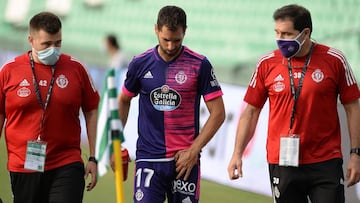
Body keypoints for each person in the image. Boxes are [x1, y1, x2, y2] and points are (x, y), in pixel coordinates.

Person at [227, 4, 360, 203]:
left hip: (325, 161)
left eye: (287, 34)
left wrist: (355, 154)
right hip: (282, 161)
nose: (281, 39)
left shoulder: (335, 60)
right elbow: (251, 111)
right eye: (277, 33)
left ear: (305, 33)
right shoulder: (266, 63)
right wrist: (237, 154)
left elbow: (352, 106)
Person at [114, 5, 225, 203]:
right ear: (156, 29)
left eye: (177, 40)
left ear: (185, 31)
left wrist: (193, 151)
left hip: (184, 162)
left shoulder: (200, 64)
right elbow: (123, 100)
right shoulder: (140, 63)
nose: (171, 46)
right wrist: (116, 143)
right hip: (149, 158)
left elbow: (218, 113)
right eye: (166, 40)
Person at [0, 12, 100, 203]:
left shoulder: (76, 69)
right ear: (31, 39)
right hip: (23, 164)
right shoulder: (9, 71)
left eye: (58, 43)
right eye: (47, 44)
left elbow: (91, 110)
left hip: (66, 162)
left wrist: (93, 157)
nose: (53, 49)